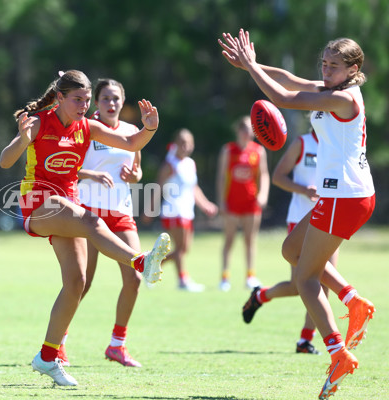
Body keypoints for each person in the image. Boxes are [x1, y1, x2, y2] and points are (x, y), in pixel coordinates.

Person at [220, 30, 375, 399]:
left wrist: (253, 70)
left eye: (334, 66)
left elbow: (284, 97)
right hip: (342, 195)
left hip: (346, 196)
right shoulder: (330, 88)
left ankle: (338, 354)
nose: (325, 70)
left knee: (305, 279)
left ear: (352, 69)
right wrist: (250, 64)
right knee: (291, 250)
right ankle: (354, 302)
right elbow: (291, 80)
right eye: (323, 63)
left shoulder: (344, 98)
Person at [0, 70, 171, 386]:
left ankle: (47, 358)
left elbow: (132, 142)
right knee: (92, 221)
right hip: (37, 201)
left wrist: (151, 127)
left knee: (77, 282)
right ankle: (141, 262)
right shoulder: (39, 123)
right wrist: (23, 141)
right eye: (78, 99)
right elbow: (5, 161)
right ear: (60, 98)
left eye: (87, 99)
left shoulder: (87, 127)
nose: (84, 105)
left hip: (67, 203)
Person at [242, 128, 339, 355]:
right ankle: (260, 295)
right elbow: (278, 176)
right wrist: (303, 189)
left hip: (329, 220)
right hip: (300, 220)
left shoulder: (337, 143)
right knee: (298, 285)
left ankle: (305, 341)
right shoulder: (302, 143)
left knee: (325, 283)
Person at [71, 78, 144, 368]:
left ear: (122, 101)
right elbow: (69, 166)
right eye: (105, 99)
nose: (111, 103)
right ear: (96, 103)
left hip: (121, 213)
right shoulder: (86, 129)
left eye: (116, 98)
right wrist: (91, 174)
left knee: (135, 277)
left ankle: (117, 345)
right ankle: (58, 342)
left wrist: (134, 177)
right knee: (80, 283)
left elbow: (138, 171)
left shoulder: (131, 132)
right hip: (89, 214)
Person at [156, 129, 218, 291]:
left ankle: (150, 265)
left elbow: (194, 188)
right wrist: (150, 209)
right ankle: (183, 280)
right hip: (173, 210)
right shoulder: (170, 165)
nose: (186, 146)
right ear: (176, 144)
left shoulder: (190, 164)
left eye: (189, 143)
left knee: (184, 249)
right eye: (182, 143)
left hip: (187, 210)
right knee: (181, 248)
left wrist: (205, 205)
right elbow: (158, 187)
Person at [216, 115, 269, 291]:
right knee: (229, 240)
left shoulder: (258, 151)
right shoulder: (228, 150)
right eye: (244, 128)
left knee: (250, 240)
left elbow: (264, 175)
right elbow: (222, 176)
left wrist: (263, 195)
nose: (247, 132)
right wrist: (221, 201)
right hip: (232, 203)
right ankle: (225, 277)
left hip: (251, 203)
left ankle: (250, 276)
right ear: (238, 131)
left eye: (250, 129)